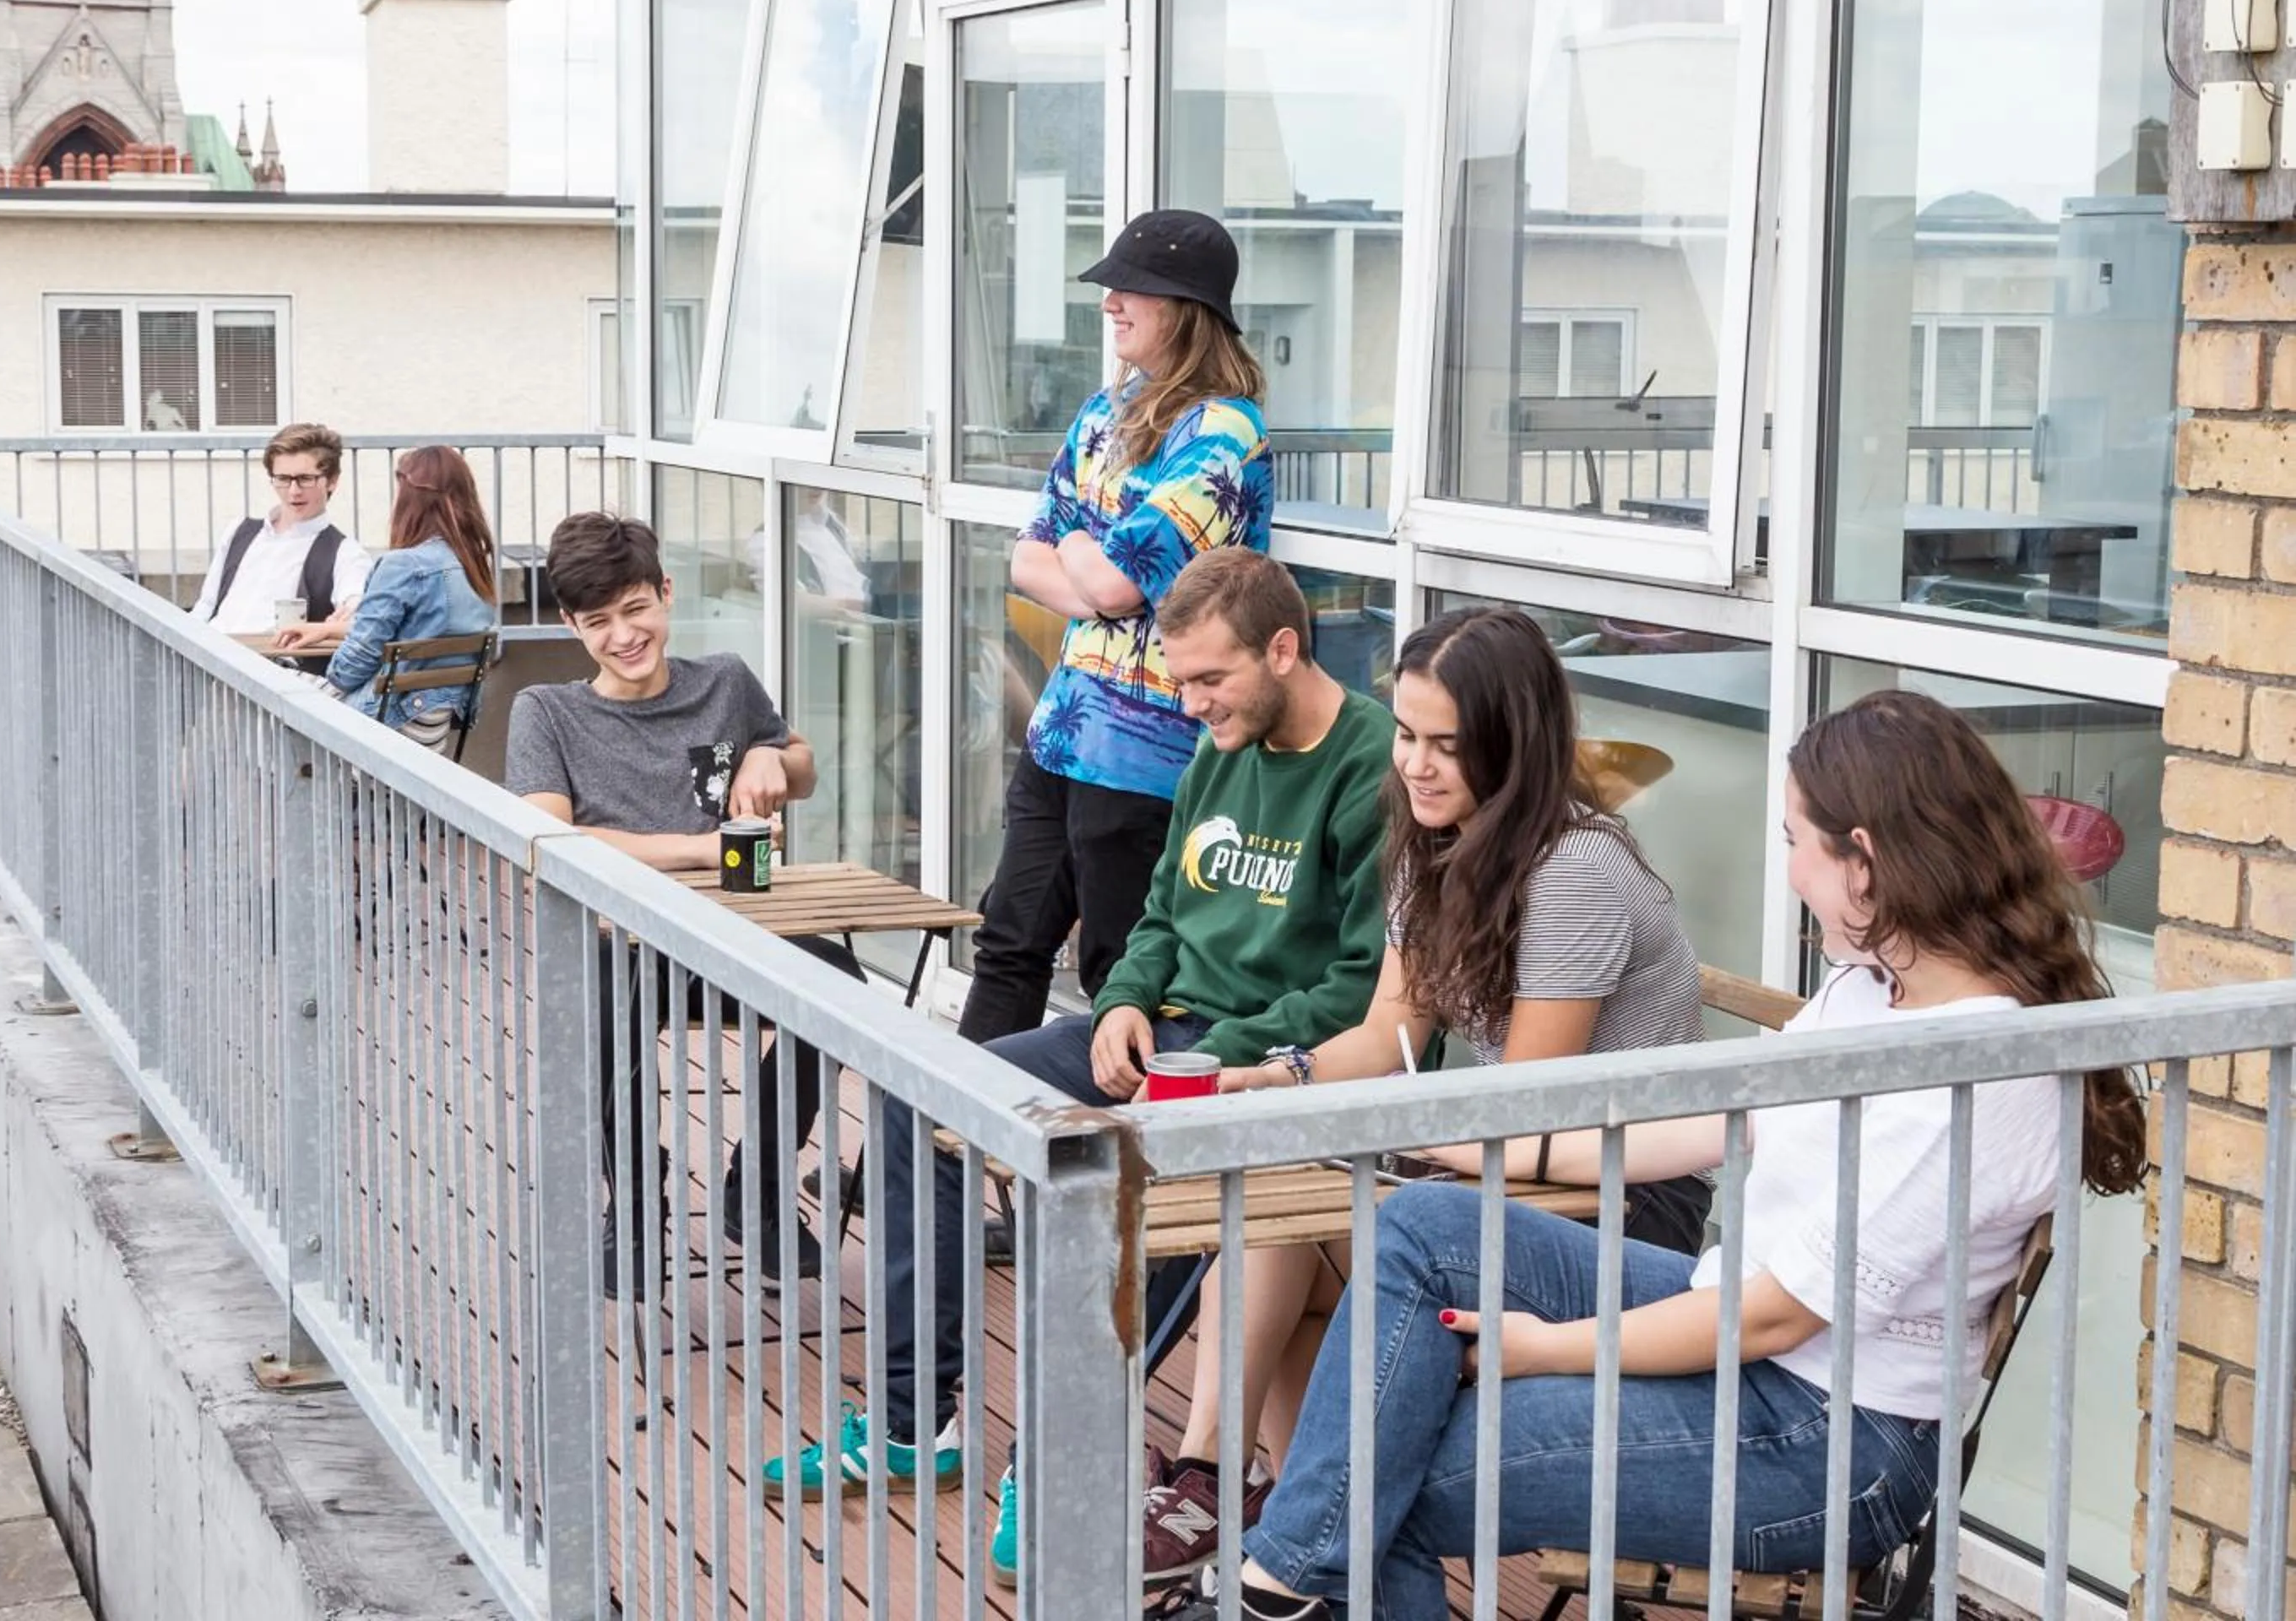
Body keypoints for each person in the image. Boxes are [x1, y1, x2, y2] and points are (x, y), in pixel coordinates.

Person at [1197, 689, 2147, 1621]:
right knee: (1421, 1227)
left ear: (1864, 860)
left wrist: (1546, 1349)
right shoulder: (1873, 989)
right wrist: (1430, 1127)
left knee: (1390, 1480)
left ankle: (1274, 1580)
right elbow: (1710, 1127)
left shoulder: (1980, 1072)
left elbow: (1774, 1318)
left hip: (1827, 1435)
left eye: (1795, 841)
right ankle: (1283, 1580)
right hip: (1745, 1330)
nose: (1788, 871)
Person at [764, 549, 1394, 1591]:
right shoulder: (1219, 748)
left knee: (1118, 1182)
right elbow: (1161, 915)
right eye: (1181, 680)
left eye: (1210, 678)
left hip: (1262, 1065)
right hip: (1163, 1031)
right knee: (924, 1095)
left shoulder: (1370, 765)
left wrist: (1219, 1049)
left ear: (1284, 649)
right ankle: (916, 1424)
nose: (1189, 704)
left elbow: (1361, 989)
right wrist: (1124, 1000)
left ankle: (1055, 1453)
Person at [1140, 604, 1713, 1584]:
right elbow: (1390, 1030)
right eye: (1406, 733)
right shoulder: (1432, 840)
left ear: (1515, 743)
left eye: (1448, 744)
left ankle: (1254, 1513)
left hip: (1622, 1200)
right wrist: (1274, 1078)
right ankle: (1269, 1510)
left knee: (1298, 1231)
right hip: (1510, 1173)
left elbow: (1528, 1101)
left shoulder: (1576, 868)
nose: (1415, 763)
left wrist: (1382, 1131)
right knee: (1282, 1216)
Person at [504, 512, 854, 1290]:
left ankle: (758, 1188)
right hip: (614, 945)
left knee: (840, 983)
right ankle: (633, 1204)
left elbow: (801, 766)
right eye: (599, 622)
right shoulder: (546, 712)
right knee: (606, 999)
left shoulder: (724, 681)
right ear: (571, 624)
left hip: (732, 937)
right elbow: (549, 840)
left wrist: (769, 756)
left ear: (666, 593)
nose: (624, 636)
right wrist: (700, 850)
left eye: (636, 609)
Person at [961, 209, 1274, 1052]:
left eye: (1131, 289)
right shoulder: (1106, 411)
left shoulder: (1224, 433)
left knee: (1121, 978)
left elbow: (1103, 578)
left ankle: (1115, 1141)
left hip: (1150, 751)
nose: (1110, 304)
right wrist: (1091, 563)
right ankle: (954, 1127)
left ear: (1186, 306)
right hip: (1063, 733)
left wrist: (1080, 546)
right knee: (1008, 944)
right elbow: (1026, 562)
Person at [312, 445, 499, 746]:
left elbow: (352, 667)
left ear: (410, 500)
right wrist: (331, 630)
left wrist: (329, 670)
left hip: (385, 725)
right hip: (432, 727)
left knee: (276, 688)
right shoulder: (474, 564)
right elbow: (420, 631)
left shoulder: (403, 566)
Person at [189, 421, 371, 640]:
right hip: (213, 652)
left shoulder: (346, 553)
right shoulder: (239, 531)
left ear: (332, 481)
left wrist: (346, 616)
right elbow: (205, 606)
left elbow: (360, 616)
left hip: (277, 660)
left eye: (305, 479)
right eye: (283, 479)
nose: (294, 491)